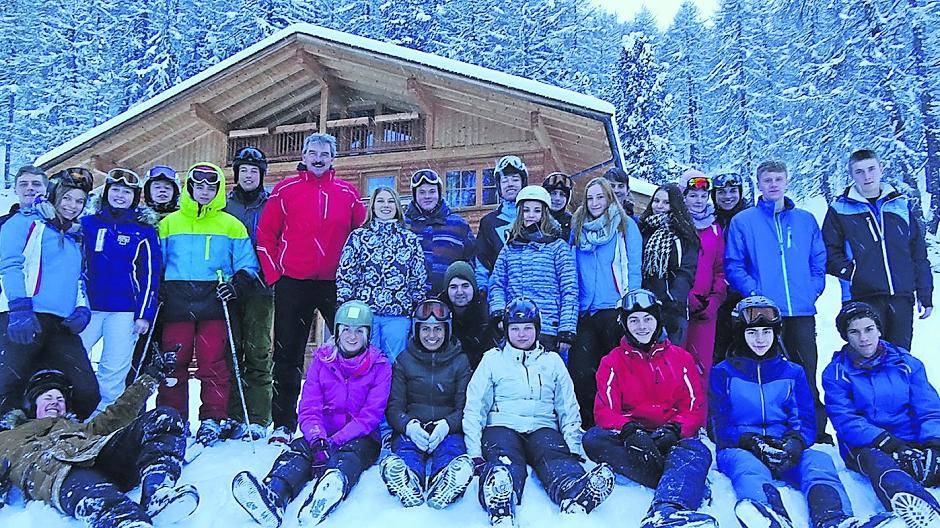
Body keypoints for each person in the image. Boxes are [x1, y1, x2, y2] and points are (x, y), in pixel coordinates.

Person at [711, 297, 890, 528]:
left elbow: (805, 419)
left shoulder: (792, 372)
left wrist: (795, 442)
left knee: (818, 461)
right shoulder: (723, 373)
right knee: (749, 469)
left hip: (783, 443)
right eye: (752, 332)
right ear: (740, 334)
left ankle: (833, 518)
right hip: (742, 447)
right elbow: (719, 423)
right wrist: (750, 441)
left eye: (767, 332)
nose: (760, 339)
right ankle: (768, 517)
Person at [231, 301, 391, 527]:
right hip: (323, 431)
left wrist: (335, 441)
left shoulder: (379, 365)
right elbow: (309, 406)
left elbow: (370, 415)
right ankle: (274, 494)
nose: (352, 336)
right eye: (346, 329)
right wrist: (317, 438)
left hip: (360, 436)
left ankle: (327, 491)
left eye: (359, 331)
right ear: (337, 331)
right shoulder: (322, 360)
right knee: (298, 452)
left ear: (368, 334)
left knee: (350, 456)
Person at [0, 348, 199, 528]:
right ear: (33, 405)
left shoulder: (79, 428)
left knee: (164, 417)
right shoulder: (8, 436)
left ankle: (157, 491)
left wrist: (151, 377)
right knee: (97, 495)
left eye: (60, 399)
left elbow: (118, 412)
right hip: (57, 472)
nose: (55, 402)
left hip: (100, 456)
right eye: (48, 398)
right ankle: (127, 521)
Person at [463, 297, 614, 526]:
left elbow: (567, 407)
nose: (522, 334)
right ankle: (500, 497)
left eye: (527, 328)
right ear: (506, 330)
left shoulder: (552, 362)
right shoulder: (493, 359)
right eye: (515, 329)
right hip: (502, 425)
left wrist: (573, 447)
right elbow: (475, 406)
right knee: (504, 458)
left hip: (542, 426)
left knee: (553, 454)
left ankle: (574, 491)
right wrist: (475, 452)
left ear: (537, 329)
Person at [256, 133, 367, 443]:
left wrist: (355, 276)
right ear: (303, 156)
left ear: (333, 159)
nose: (319, 158)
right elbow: (265, 235)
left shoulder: (347, 193)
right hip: (293, 281)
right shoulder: (285, 190)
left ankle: (351, 418)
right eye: (313, 153)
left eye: (325, 154)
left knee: (352, 348)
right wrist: (275, 274)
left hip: (335, 283)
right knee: (288, 353)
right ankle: (283, 423)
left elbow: (362, 236)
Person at [584, 289, 715, 528]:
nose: (642, 326)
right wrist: (630, 430)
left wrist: (675, 429)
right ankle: (684, 480)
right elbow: (605, 411)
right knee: (593, 439)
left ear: (657, 320)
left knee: (697, 449)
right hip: (633, 441)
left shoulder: (681, 358)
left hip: (671, 438)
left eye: (647, 319)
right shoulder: (612, 362)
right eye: (634, 320)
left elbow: (694, 407)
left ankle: (665, 511)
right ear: (625, 324)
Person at [725, 160, 829, 443]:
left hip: (800, 310)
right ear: (758, 184)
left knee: (805, 370)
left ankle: (815, 429)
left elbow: (818, 260)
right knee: (769, 371)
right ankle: (773, 425)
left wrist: (812, 289)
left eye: (778, 179)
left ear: (786, 181)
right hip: (763, 314)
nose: (773, 185)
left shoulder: (805, 220)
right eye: (767, 180)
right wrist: (754, 293)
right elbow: (734, 264)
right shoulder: (744, 221)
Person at [157, 162, 261, 445]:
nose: (204, 192)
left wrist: (235, 286)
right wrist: (159, 290)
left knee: (212, 363)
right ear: (190, 188)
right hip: (177, 304)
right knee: (173, 363)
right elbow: (156, 263)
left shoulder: (230, 225)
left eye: (211, 187)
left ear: (219, 190)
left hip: (214, 304)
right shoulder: (169, 223)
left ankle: (212, 418)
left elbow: (248, 265)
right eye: (199, 186)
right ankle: (172, 417)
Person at [822, 302, 940, 528]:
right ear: (846, 336)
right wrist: (888, 443)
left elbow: (928, 406)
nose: (863, 338)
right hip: (867, 444)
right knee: (880, 463)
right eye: (854, 332)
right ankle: (922, 508)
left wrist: (934, 444)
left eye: (869, 329)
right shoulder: (836, 373)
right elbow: (846, 421)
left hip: (912, 437)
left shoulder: (906, 363)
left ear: (878, 329)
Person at [0, 169, 98, 419]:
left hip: (61, 325)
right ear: (55, 195)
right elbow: (9, 265)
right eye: (67, 198)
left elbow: (78, 278)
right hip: (24, 317)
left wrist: (82, 308)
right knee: (6, 388)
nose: (72, 206)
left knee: (86, 391)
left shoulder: (74, 235)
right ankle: (12, 438)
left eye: (79, 201)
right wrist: (19, 309)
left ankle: (60, 433)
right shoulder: (25, 222)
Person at [822, 149, 933, 351]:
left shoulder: (899, 205)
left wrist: (925, 293)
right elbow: (829, 252)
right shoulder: (840, 209)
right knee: (867, 356)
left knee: (899, 356)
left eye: (871, 169)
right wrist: (854, 273)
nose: (867, 176)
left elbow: (918, 254)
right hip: (862, 297)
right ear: (851, 175)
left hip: (901, 295)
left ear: (881, 169)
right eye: (859, 171)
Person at [80, 168, 161, 415]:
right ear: (106, 192)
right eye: (115, 190)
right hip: (88, 308)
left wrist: (144, 314)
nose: (120, 196)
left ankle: (106, 421)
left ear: (135, 197)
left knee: (114, 369)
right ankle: (75, 413)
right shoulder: (87, 224)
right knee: (75, 361)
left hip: (124, 311)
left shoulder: (143, 231)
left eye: (127, 192)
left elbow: (150, 275)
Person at [380, 300, 473, 509]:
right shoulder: (404, 361)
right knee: (406, 451)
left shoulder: (460, 361)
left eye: (438, 329)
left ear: (447, 330)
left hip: (447, 430)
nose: (432, 335)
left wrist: (447, 425)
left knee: (451, 449)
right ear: (417, 330)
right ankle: (408, 480)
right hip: (413, 428)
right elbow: (394, 407)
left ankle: (445, 480)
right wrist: (408, 426)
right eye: (426, 329)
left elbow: (465, 407)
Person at [567, 177, 642, 427]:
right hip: (585, 311)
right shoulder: (578, 228)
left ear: (609, 198)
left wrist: (631, 306)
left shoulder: (625, 226)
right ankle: (590, 424)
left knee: (618, 371)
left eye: (600, 197)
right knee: (582, 372)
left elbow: (633, 268)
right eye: (590, 198)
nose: (595, 203)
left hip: (614, 309)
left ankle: (621, 421)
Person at [337, 186, 428, 362]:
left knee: (395, 363)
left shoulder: (409, 239)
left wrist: (417, 306)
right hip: (365, 315)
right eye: (380, 201)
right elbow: (346, 274)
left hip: (398, 315)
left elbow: (417, 278)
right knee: (365, 362)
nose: (386, 205)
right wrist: (346, 306)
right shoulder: (359, 237)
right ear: (372, 206)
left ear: (397, 206)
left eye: (390, 201)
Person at [221, 147, 275, 440]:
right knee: (230, 350)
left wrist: (270, 273)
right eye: (244, 171)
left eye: (254, 171)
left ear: (262, 175)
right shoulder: (224, 206)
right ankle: (233, 413)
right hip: (229, 287)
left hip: (262, 287)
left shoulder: (272, 204)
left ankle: (258, 416)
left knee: (258, 351)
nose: (249, 176)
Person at [488, 185, 577, 355]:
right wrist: (499, 313)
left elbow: (569, 290)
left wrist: (566, 329)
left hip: (547, 327)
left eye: (536, 211)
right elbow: (497, 284)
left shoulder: (557, 247)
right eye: (526, 210)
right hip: (516, 326)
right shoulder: (510, 248)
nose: (531, 215)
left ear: (545, 214)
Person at [638, 183, 699, 345]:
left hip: (672, 307)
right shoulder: (643, 229)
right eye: (656, 201)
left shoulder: (683, 234)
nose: (659, 206)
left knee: (669, 353)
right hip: (644, 305)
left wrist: (673, 298)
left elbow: (686, 270)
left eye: (666, 202)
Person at [680, 170, 726, 378]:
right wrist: (685, 296)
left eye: (703, 195)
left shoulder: (714, 228)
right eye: (693, 195)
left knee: (701, 366)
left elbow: (720, 268)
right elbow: (669, 269)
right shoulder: (676, 225)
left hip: (705, 310)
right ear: (683, 197)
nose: (699, 200)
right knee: (677, 363)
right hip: (680, 307)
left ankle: (700, 400)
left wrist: (715, 300)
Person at [711, 172, 750, 363]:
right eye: (721, 192)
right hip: (718, 293)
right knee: (718, 347)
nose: (728, 196)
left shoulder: (750, 219)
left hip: (745, 291)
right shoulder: (709, 220)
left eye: (733, 191)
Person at [475, 155, 526, 292]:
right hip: (500, 293)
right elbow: (482, 261)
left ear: (523, 183)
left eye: (515, 179)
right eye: (505, 180)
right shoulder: (488, 222)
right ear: (499, 186)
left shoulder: (534, 217)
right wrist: (482, 290)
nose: (510, 184)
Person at [439, 261, 498, 370]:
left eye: (465, 286)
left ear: (473, 287)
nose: (460, 292)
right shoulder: (438, 313)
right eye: (453, 287)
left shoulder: (485, 314)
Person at [542, 172, 573, 242]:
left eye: (562, 194)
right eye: (553, 193)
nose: (557, 198)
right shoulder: (534, 218)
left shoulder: (573, 222)